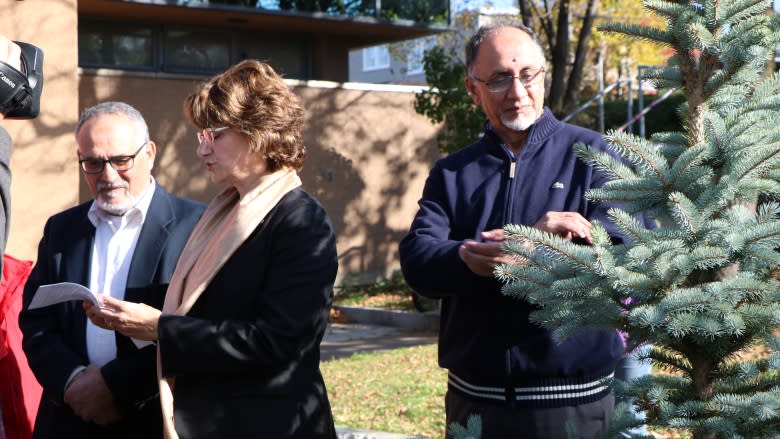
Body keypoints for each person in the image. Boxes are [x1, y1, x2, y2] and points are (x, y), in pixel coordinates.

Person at [399, 21, 630, 438]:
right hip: (475, 404)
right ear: (474, 90)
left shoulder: (595, 154)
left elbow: (627, 255)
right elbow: (418, 260)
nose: (518, 92)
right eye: (500, 79)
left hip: (574, 404)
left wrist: (537, 248)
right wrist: (465, 258)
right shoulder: (452, 173)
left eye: (527, 76)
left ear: (543, 76)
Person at [85, 60, 339, 439]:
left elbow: (279, 342)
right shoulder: (224, 211)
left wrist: (161, 329)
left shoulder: (300, 221)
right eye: (200, 134)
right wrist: (132, 320)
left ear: (258, 132)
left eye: (215, 134)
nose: (202, 148)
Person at [18, 101, 207, 439]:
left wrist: (113, 386)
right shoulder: (62, 230)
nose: (107, 175)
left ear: (149, 153)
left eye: (121, 160)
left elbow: (197, 329)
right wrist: (73, 381)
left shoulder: (197, 227)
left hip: (150, 416)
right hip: (69, 418)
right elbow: (36, 322)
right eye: (92, 163)